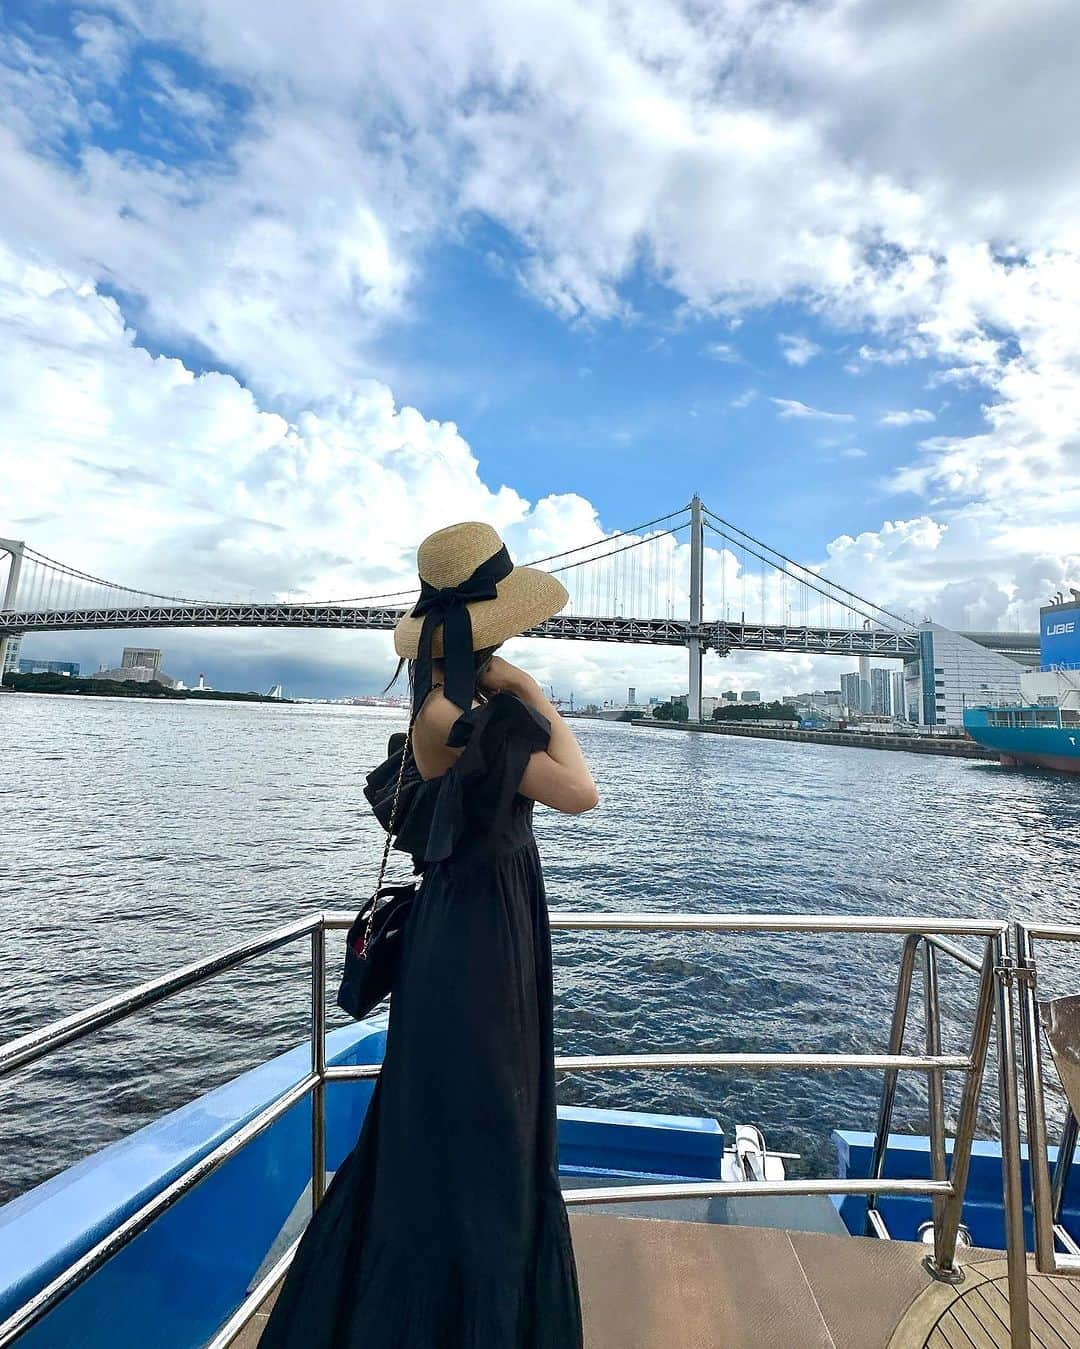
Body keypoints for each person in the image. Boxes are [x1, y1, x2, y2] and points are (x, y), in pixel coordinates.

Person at [259, 521, 598, 1348]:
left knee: (448, 1118)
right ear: (486, 630)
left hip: (469, 926)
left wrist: (506, 688)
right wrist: (530, 688)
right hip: (486, 937)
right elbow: (582, 791)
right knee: (489, 1122)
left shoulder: (440, 710)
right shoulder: (472, 720)